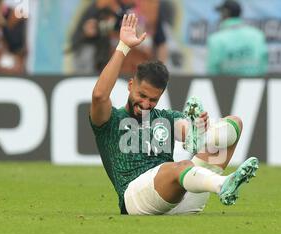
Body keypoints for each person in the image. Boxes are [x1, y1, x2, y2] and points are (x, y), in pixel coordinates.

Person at [89, 14, 259, 215]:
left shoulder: (165, 118)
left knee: (234, 124)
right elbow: (100, 96)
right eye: (142, 95)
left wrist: (199, 131)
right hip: (136, 198)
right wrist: (123, 47)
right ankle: (222, 185)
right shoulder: (110, 121)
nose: (145, 104)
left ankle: (208, 162)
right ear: (130, 85)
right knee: (178, 167)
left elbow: (185, 130)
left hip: (180, 197)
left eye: (153, 99)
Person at [207, 0, 268, 76]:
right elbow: (263, 67)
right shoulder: (257, 35)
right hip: (255, 85)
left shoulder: (216, 39)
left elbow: (213, 71)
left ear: (225, 13)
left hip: (226, 87)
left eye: (221, 13)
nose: (220, 16)